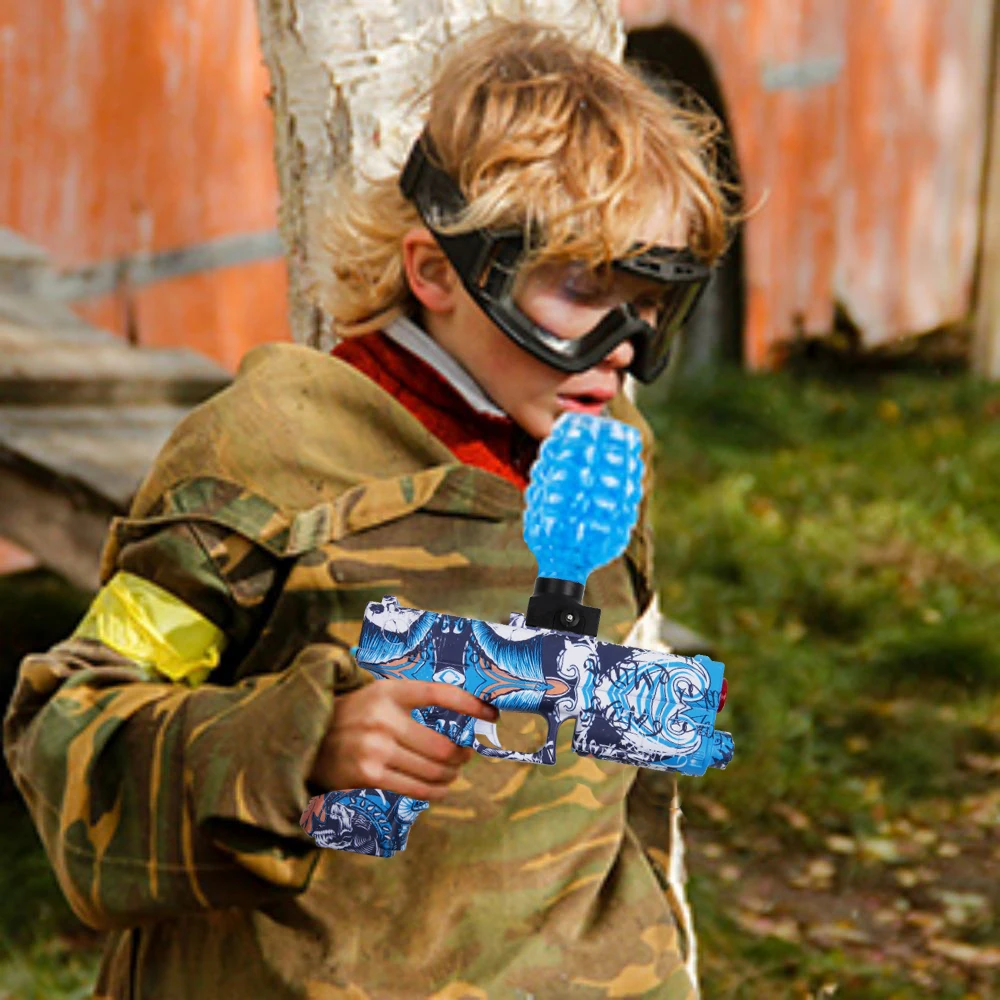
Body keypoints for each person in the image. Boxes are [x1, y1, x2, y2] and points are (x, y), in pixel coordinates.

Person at [3, 18, 734, 999]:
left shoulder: (605, 448)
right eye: (580, 289)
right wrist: (303, 745)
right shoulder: (265, 455)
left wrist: (638, 707)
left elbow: (568, 767)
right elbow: (69, 722)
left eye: (651, 304)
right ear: (436, 272)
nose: (620, 347)